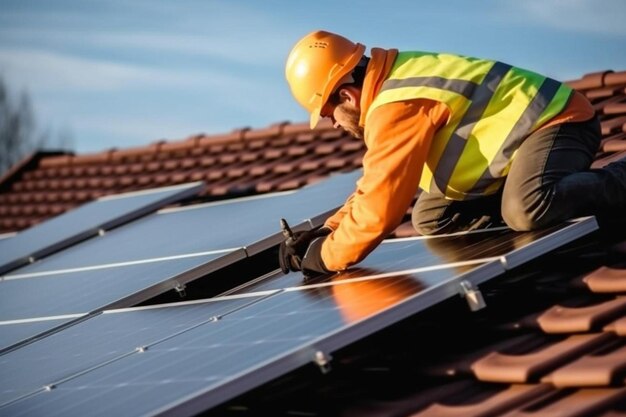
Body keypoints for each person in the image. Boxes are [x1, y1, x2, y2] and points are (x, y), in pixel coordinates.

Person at [278, 30, 626, 277]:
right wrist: (327, 230)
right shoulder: (390, 85)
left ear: (346, 96)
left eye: (327, 115)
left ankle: (617, 180)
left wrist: (325, 258)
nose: (334, 125)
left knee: (526, 209)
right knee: (430, 217)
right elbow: (374, 182)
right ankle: (535, 217)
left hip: (558, 123)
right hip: (514, 152)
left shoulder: (397, 104)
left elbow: (379, 207)